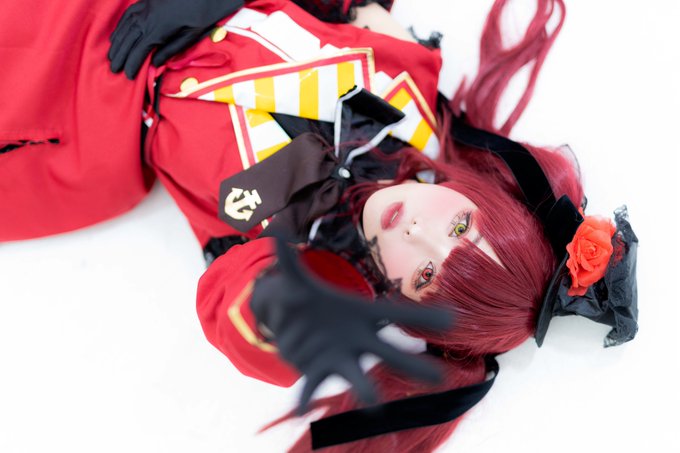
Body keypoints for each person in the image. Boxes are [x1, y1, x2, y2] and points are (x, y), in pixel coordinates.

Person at [1, 0, 638, 451]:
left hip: (78, 101)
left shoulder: (318, 263)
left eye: (423, 274)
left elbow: (243, 306)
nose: (415, 230)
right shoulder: (410, 88)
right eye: (460, 226)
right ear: (476, 196)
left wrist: (289, 318)